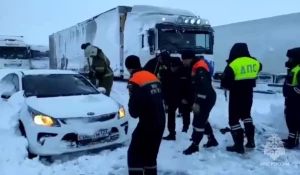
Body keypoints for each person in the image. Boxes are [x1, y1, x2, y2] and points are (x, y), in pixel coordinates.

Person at [125, 55, 165, 175]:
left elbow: (134, 112)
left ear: (128, 68)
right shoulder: (151, 76)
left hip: (148, 123)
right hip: (160, 121)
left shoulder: (135, 80)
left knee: (134, 155)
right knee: (150, 156)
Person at [220, 43, 262, 154]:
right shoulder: (255, 62)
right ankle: (251, 141)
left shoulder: (233, 64)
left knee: (233, 120)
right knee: (246, 116)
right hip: (248, 93)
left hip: (236, 94)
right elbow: (259, 68)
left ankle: (238, 145)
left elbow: (225, 82)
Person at [181, 51, 218, 155]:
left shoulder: (199, 67)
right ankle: (212, 140)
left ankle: (195, 145)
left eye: (183, 60)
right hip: (205, 97)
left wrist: (197, 102)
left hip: (206, 98)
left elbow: (204, 87)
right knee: (203, 119)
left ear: (188, 59)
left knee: (198, 122)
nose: (183, 62)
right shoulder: (195, 66)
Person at [282, 47, 300, 149]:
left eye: (291, 59)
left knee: (296, 121)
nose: (289, 61)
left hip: (297, 101)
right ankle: (291, 139)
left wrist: (292, 92)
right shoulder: (294, 69)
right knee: (290, 120)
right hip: (291, 100)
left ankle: (293, 142)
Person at [162, 57, 184, 140]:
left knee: (186, 113)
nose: (173, 69)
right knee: (171, 116)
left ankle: (186, 129)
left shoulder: (184, 72)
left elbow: (187, 87)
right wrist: (164, 98)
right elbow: (164, 86)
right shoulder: (167, 72)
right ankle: (171, 133)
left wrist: (185, 98)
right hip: (171, 98)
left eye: (175, 67)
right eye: (171, 67)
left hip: (182, 97)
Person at [178, 62, 193, 133]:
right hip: (182, 94)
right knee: (185, 112)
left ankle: (187, 127)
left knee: (189, 112)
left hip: (191, 94)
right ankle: (185, 127)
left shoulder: (192, 69)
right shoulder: (180, 70)